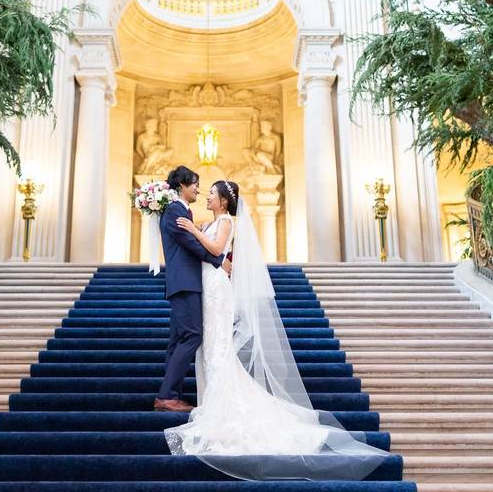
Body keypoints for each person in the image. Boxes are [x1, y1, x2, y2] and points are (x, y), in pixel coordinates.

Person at [163, 179, 391, 481]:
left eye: (212, 194)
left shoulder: (227, 222)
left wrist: (193, 231)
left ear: (224, 201)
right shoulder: (211, 220)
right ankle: (210, 400)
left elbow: (217, 249)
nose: (207, 196)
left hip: (217, 288)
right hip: (206, 285)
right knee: (207, 344)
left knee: (218, 343)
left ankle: (220, 405)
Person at [154, 165, 231, 413]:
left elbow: (195, 241)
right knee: (192, 335)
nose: (198, 189)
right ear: (181, 186)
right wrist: (220, 261)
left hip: (185, 281)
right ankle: (167, 396)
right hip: (185, 281)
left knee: (178, 339)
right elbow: (192, 244)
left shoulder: (180, 210)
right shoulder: (176, 210)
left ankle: (170, 393)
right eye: (195, 184)